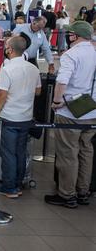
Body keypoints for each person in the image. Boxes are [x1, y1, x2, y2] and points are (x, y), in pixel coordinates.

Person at [46, 21, 96, 208]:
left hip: (70, 111)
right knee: (86, 151)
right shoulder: (94, 51)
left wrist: (57, 102)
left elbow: (62, 82)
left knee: (68, 153)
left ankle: (67, 194)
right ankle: (83, 191)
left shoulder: (71, 55)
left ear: (75, 35)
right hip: (92, 109)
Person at [0, 36, 41, 198]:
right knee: (20, 152)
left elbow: (2, 95)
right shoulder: (33, 68)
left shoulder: (8, 69)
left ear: (10, 49)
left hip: (9, 116)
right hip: (26, 117)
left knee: (8, 153)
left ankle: (9, 186)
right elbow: (38, 91)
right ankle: (18, 184)